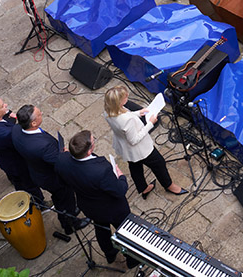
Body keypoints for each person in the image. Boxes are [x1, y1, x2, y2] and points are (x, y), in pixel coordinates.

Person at [55, 131, 139, 269]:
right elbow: (119, 190)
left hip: (89, 206)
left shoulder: (61, 160)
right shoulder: (101, 170)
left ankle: (110, 254)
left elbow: (63, 180)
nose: (94, 141)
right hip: (113, 209)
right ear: (88, 152)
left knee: (101, 229)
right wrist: (121, 176)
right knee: (124, 231)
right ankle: (131, 259)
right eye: (93, 141)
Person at [11, 104, 88, 236]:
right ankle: (71, 224)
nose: (41, 112)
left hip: (38, 172)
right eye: (39, 114)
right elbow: (58, 162)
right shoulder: (43, 146)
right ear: (33, 123)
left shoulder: (17, 130)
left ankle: (68, 212)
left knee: (59, 198)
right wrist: (64, 154)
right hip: (53, 178)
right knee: (65, 197)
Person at [103, 86, 186, 199]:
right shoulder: (127, 121)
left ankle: (143, 188)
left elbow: (124, 115)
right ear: (119, 102)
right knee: (159, 163)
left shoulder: (108, 110)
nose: (127, 96)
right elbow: (134, 140)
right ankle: (169, 185)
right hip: (139, 149)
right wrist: (150, 123)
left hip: (124, 146)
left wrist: (138, 113)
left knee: (135, 166)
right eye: (125, 97)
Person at [0, 96, 44, 203]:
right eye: (2, 106)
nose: (6, 105)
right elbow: (21, 141)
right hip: (16, 163)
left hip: (4, 158)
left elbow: (3, 124)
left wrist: (11, 119)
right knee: (29, 184)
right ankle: (39, 203)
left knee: (16, 179)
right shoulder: (6, 134)